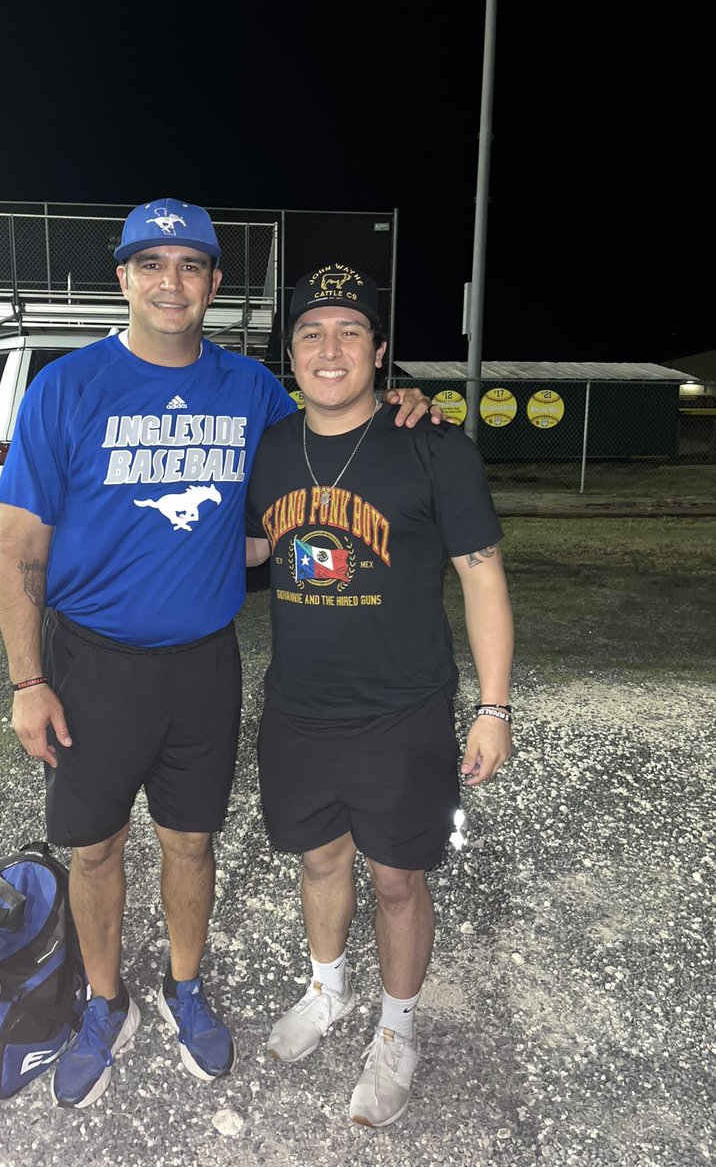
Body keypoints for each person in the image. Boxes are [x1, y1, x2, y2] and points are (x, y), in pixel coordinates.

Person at [0, 200, 437, 1110]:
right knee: (96, 848)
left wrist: (403, 396)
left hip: (203, 660)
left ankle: (184, 988)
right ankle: (104, 1005)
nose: (170, 282)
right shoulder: (67, 390)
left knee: (191, 841)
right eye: (150, 263)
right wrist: (28, 679)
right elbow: (17, 552)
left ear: (214, 286)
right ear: (122, 278)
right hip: (91, 660)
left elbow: (335, 417)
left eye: (189, 265)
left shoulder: (249, 393)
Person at [245, 264, 514, 1128]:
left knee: (398, 880)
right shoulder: (271, 446)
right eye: (313, 333)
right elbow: (250, 552)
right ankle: (328, 988)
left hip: (402, 712)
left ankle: (398, 1032)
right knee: (319, 860)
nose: (331, 349)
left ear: (381, 352)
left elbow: (481, 577)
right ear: (291, 354)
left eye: (350, 332)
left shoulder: (435, 446)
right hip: (297, 706)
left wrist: (495, 708)